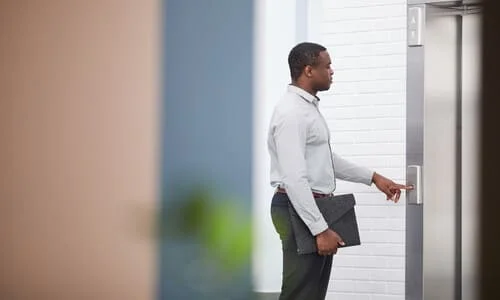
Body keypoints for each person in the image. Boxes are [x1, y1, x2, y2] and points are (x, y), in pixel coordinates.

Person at [267, 42, 413, 300]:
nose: (332, 71)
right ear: (309, 70)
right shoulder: (292, 113)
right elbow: (294, 178)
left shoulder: (307, 108)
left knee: (311, 294)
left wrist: (373, 178)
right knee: (299, 293)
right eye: (327, 65)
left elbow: (325, 159)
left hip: (308, 207)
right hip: (296, 208)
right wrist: (320, 230)